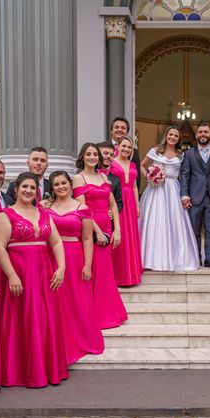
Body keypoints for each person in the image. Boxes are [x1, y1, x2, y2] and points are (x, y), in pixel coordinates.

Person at [0, 172, 68, 387]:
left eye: (32, 188)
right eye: (24, 187)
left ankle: (45, 369)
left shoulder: (44, 213)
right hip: (17, 275)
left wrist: (61, 267)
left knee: (43, 320)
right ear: (16, 189)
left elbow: (56, 242)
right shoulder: (5, 215)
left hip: (42, 274)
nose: (28, 191)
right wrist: (12, 275)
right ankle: (19, 372)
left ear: (37, 191)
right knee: (19, 320)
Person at [46, 171, 104, 363]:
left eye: (64, 183)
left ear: (70, 185)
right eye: (56, 184)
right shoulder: (45, 207)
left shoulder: (82, 208)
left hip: (74, 256)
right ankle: (55, 341)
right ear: (52, 188)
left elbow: (87, 239)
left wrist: (87, 265)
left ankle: (77, 340)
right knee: (54, 300)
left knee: (75, 299)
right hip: (50, 257)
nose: (61, 187)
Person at [73, 143, 128, 328]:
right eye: (88, 154)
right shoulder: (78, 178)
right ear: (82, 157)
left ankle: (109, 313)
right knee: (93, 270)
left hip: (108, 226)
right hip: (91, 229)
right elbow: (83, 208)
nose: (92, 157)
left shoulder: (104, 176)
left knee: (106, 272)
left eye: (94, 154)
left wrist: (117, 229)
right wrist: (97, 232)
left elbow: (113, 204)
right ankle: (93, 316)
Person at [139, 126, 200, 271]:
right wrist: (149, 176)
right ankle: (150, 258)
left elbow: (184, 175)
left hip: (173, 189)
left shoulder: (181, 154)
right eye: (170, 134)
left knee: (174, 223)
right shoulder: (155, 150)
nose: (173, 137)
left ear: (179, 139)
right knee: (155, 221)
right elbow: (142, 165)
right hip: (156, 190)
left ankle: (175, 257)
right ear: (166, 135)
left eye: (176, 136)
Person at [180, 123, 210, 269]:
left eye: (206, 132)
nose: (203, 134)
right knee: (194, 230)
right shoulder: (188, 154)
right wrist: (184, 195)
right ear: (196, 135)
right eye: (200, 132)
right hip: (194, 197)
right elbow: (185, 175)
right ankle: (195, 258)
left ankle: (209, 259)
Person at [111, 135, 143, 285]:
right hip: (118, 200)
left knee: (131, 234)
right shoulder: (111, 164)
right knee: (120, 233)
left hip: (130, 201)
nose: (126, 149)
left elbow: (135, 186)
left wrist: (137, 205)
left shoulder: (133, 165)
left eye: (129, 147)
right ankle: (119, 275)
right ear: (117, 147)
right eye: (124, 146)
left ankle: (132, 273)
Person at [110, 116, 141, 189]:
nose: (120, 130)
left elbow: (137, 177)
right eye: (117, 127)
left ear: (127, 132)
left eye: (123, 128)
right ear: (112, 131)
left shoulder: (134, 152)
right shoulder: (103, 148)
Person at [96, 141, 124, 215]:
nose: (109, 156)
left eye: (111, 155)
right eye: (105, 153)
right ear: (97, 154)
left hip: (108, 222)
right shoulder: (85, 174)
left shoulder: (116, 180)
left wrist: (113, 212)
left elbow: (119, 203)